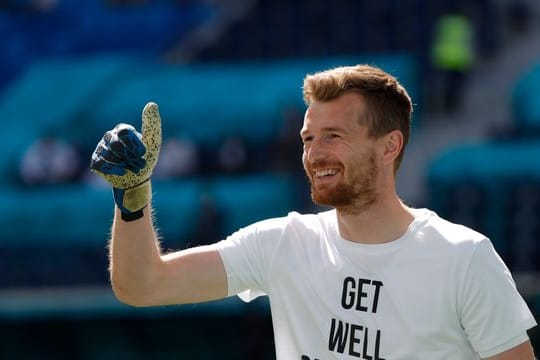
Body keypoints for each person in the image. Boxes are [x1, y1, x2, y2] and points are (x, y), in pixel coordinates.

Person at [90, 65, 537, 359]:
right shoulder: (282, 242)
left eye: (333, 136)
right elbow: (142, 285)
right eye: (308, 138)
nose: (314, 154)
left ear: (389, 146)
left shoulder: (464, 257)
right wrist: (133, 197)